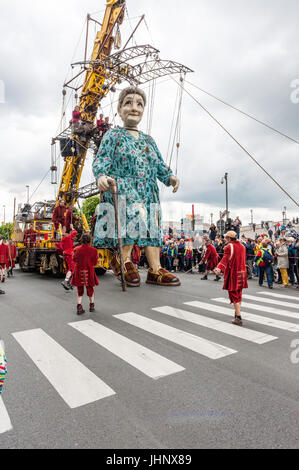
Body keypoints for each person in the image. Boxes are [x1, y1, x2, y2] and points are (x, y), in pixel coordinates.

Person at [92, 86, 180, 288]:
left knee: (152, 225)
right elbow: (101, 160)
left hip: (148, 191)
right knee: (134, 216)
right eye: (128, 103)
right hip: (123, 187)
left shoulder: (149, 140)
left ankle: (155, 269)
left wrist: (170, 177)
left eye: (139, 104)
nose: (134, 108)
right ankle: (123, 261)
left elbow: (158, 165)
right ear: (119, 108)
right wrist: (101, 176)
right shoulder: (113, 135)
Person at [214, 231, 248, 326]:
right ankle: (237, 313)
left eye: (226, 237)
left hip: (233, 272)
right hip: (242, 272)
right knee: (239, 294)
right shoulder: (242, 246)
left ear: (229, 238)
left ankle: (238, 317)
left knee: (234, 294)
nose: (225, 239)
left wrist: (219, 268)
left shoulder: (229, 246)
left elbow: (225, 259)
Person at [71, 233, 99, 315]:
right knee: (90, 288)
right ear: (89, 240)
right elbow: (95, 263)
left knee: (80, 289)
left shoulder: (76, 249)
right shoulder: (94, 250)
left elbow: (74, 259)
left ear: (81, 240)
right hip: (89, 271)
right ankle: (92, 306)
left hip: (79, 270)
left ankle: (79, 307)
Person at [61, 225, 77, 291]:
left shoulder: (63, 240)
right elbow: (75, 232)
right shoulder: (68, 238)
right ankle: (66, 281)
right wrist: (72, 227)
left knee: (70, 269)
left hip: (66, 255)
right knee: (72, 269)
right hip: (70, 254)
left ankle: (70, 283)